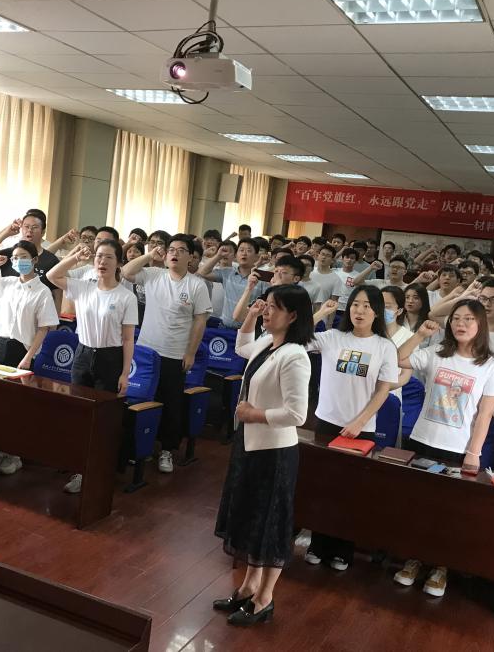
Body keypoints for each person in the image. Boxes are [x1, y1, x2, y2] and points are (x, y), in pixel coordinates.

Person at [213, 286, 313, 626]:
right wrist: (251, 316)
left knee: (270, 522)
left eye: (273, 307)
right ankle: (247, 587)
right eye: (265, 305)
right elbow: (241, 345)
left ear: (293, 316)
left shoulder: (295, 356)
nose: (266, 311)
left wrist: (254, 414)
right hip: (250, 444)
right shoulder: (267, 343)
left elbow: (297, 414)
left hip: (275, 452)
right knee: (251, 518)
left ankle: (264, 598)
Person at [394, 302, 494, 597]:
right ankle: (414, 560)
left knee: (449, 512)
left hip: (458, 450)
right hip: (422, 440)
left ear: (480, 324)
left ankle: (441, 567)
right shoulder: (436, 353)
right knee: (419, 507)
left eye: (469, 319)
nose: (461, 324)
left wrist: (474, 453)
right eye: (456, 318)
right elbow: (398, 358)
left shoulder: (493, 366)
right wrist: (420, 334)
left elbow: (485, 415)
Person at [305, 286, 399, 571]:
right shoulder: (333, 337)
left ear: (377, 312)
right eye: (356, 304)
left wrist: (360, 421)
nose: (360, 310)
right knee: (322, 486)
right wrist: (321, 313)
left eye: (367, 306)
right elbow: (296, 338)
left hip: (361, 428)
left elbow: (383, 390)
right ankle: (317, 544)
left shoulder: (384, 347)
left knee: (349, 490)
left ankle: (343, 550)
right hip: (326, 422)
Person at [49, 239, 137, 493]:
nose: (102, 261)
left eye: (109, 257)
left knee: (103, 418)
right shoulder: (83, 288)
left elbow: (128, 339)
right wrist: (76, 257)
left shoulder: (126, 297)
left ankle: (100, 469)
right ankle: (80, 469)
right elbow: (53, 275)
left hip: (111, 358)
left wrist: (124, 373)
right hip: (83, 354)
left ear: (118, 263)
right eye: (99, 256)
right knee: (80, 413)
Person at [123, 235, 211, 474]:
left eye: (181, 250)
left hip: (174, 354)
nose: (174, 253)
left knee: (171, 404)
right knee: (140, 400)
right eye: (171, 249)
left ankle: (166, 450)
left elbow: (200, 321)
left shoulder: (196, 285)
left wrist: (191, 353)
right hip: (146, 352)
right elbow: (126, 271)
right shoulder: (153, 274)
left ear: (190, 257)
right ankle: (137, 447)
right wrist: (149, 255)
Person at [431, 277, 494, 434]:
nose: (487, 304)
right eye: (483, 298)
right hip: (446, 407)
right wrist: (465, 296)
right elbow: (434, 313)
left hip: (479, 417)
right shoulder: (464, 327)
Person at [0, 241, 59, 369]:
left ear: (35, 259)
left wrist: (28, 357)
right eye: (15, 258)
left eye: (23, 257)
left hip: (22, 349)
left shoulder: (43, 291)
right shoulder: (6, 283)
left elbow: (43, 328)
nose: (19, 261)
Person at [0, 209, 62, 307]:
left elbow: (57, 295)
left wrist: (56, 316)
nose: (30, 230)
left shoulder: (51, 260)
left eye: (35, 227)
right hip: (7, 310)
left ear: (43, 232)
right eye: (26, 226)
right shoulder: (9, 254)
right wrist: (6, 233)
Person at [197, 237, 267, 329]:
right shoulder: (228, 273)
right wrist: (218, 256)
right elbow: (202, 273)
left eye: (249, 250)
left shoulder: (262, 279)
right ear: (236, 255)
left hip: (247, 331)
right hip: (224, 327)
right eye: (241, 250)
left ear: (256, 257)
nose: (244, 253)